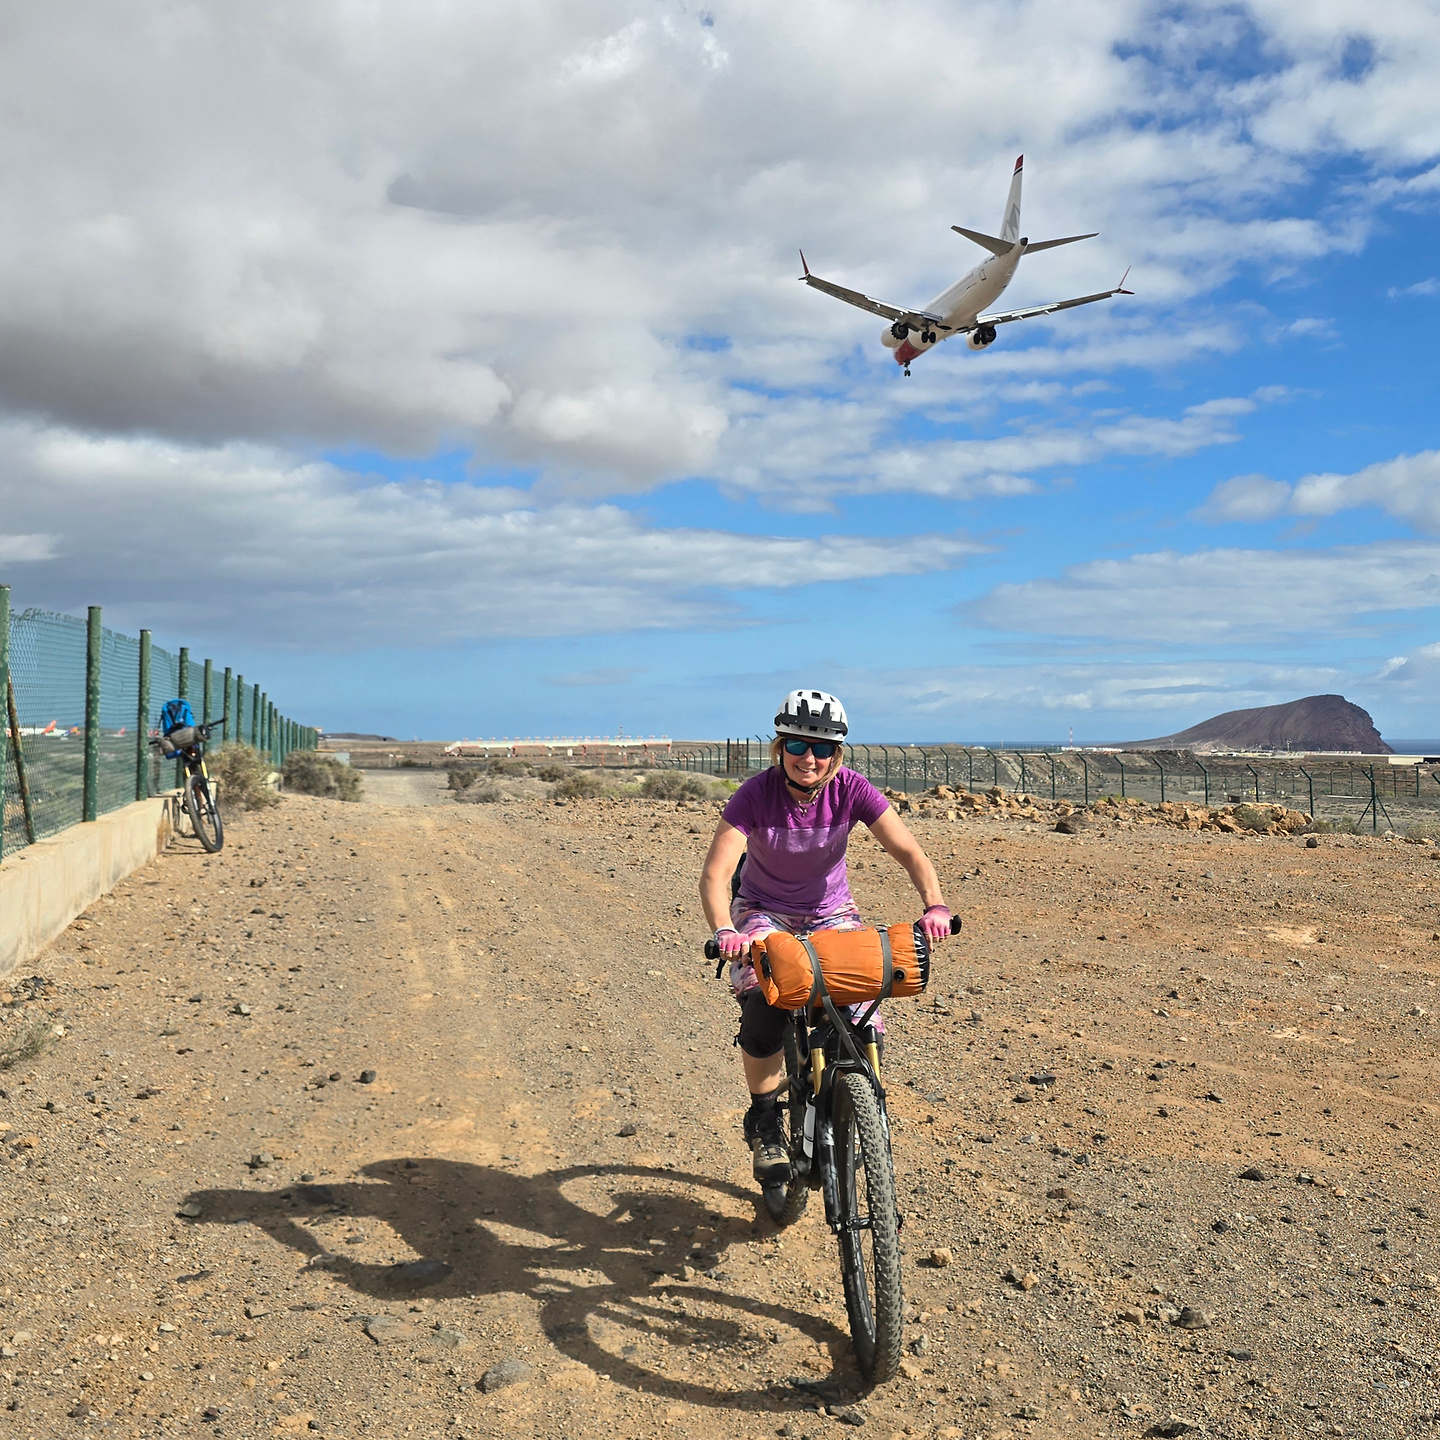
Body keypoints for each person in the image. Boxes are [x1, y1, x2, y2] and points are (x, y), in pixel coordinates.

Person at [699, 689, 951, 1185]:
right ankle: (767, 1121)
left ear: (836, 754)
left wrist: (934, 904)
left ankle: (857, 1107)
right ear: (780, 748)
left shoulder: (852, 790)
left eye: (820, 749)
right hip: (764, 911)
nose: (807, 758)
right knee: (766, 1006)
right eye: (795, 746)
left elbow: (909, 850)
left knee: (859, 1000)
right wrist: (725, 929)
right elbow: (716, 873)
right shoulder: (754, 794)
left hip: (831, 911)